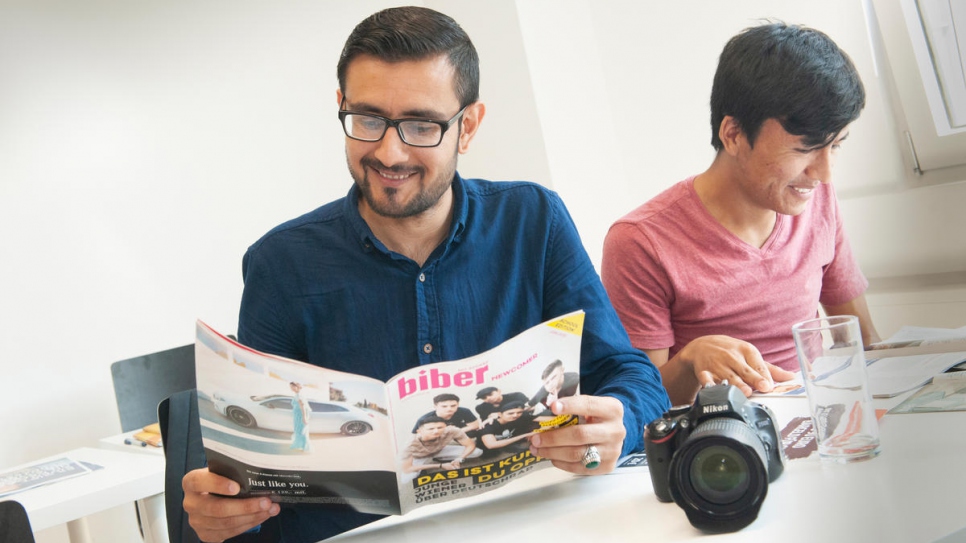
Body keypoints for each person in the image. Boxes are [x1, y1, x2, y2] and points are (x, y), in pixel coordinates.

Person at [182, 6, 669, 543]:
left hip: (528, 526)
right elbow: (260, 475)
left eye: (421, 125)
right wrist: (223, 517)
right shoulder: (281, 264)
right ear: (340, 107)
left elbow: (629, 371)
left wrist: (617, 421)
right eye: (368, 119)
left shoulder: (533, 220)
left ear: (469, 127)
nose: (389, 153)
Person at [601, 21, 880, 407]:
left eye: (836, 145)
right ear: (732, 134)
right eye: (805, 149)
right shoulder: (640, 241)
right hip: (726, 444)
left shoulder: (815, 198)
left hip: (821, 419)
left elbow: (866, 342)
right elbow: (640, 401)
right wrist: (690, 360)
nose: (824, 174)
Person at [400, 416, 481, 482]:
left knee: (477, 452)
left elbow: (470, 445)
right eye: (431, 429)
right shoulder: (409, 444)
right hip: (420, 456)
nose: (436, 431)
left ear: (446, 427)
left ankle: (441, 458)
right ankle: (428, 465)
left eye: (440, 427)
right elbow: (407, 469)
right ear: (419, 431)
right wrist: (441, 466)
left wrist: (459, 459)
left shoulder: (452, 430)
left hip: (439, 450)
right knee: (407, 478)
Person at [475, 401, 545, 455]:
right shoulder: (489, 424)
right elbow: (491, 445)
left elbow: (552, 419)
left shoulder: (519, 416)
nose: (515, 415)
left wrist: (545, 427)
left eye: (519, 412)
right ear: (499, 414)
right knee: (491, 455)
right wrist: (526, 435)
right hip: (487, 449)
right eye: (510, 413)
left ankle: (510, 445)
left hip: (508, 438)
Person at [411, 393, 480, 433]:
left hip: (459, 431)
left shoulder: (464, 411)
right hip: (437, 436)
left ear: (458, 404)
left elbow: (475, 425)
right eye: (444, 406)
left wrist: (455, 432)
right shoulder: (424, 419)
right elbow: (415, 435)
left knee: (480, 431)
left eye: (453, 406)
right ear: (435, 406)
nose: (449, 409)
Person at [288, 382, 311, 452]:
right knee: (299, 430)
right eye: (290, 387)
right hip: (298, 415)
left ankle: (305, 447)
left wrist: (304, 417)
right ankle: (301, 445)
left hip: (300, 416)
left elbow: (303, 406)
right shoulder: (297, 395)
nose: (291, 388)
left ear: (297, 387)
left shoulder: (299, 395)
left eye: (292, 386)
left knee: (301, 431)